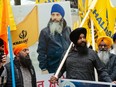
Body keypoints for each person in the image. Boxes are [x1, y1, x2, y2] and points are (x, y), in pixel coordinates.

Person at [37, 4, 71, 74]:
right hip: (52, 69)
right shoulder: (45, 32)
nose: (55, 17)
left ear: (62, 16)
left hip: (68, 67)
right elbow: (41, 52)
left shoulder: (68, 30)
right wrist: (43, 68)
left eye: (57, 15)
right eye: (53, 15)